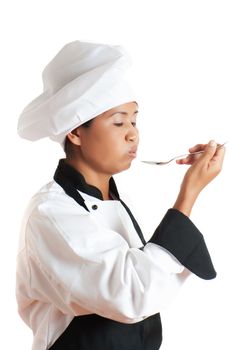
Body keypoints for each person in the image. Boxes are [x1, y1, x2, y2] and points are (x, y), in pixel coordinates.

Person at [16, 40, 225, 350]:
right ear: (75, 132)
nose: (132, 133)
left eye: (134, 120)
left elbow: (153, 288)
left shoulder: (113, 201)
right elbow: (131, 295)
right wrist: (189, 192)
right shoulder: (51, 212)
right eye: (118, 121)